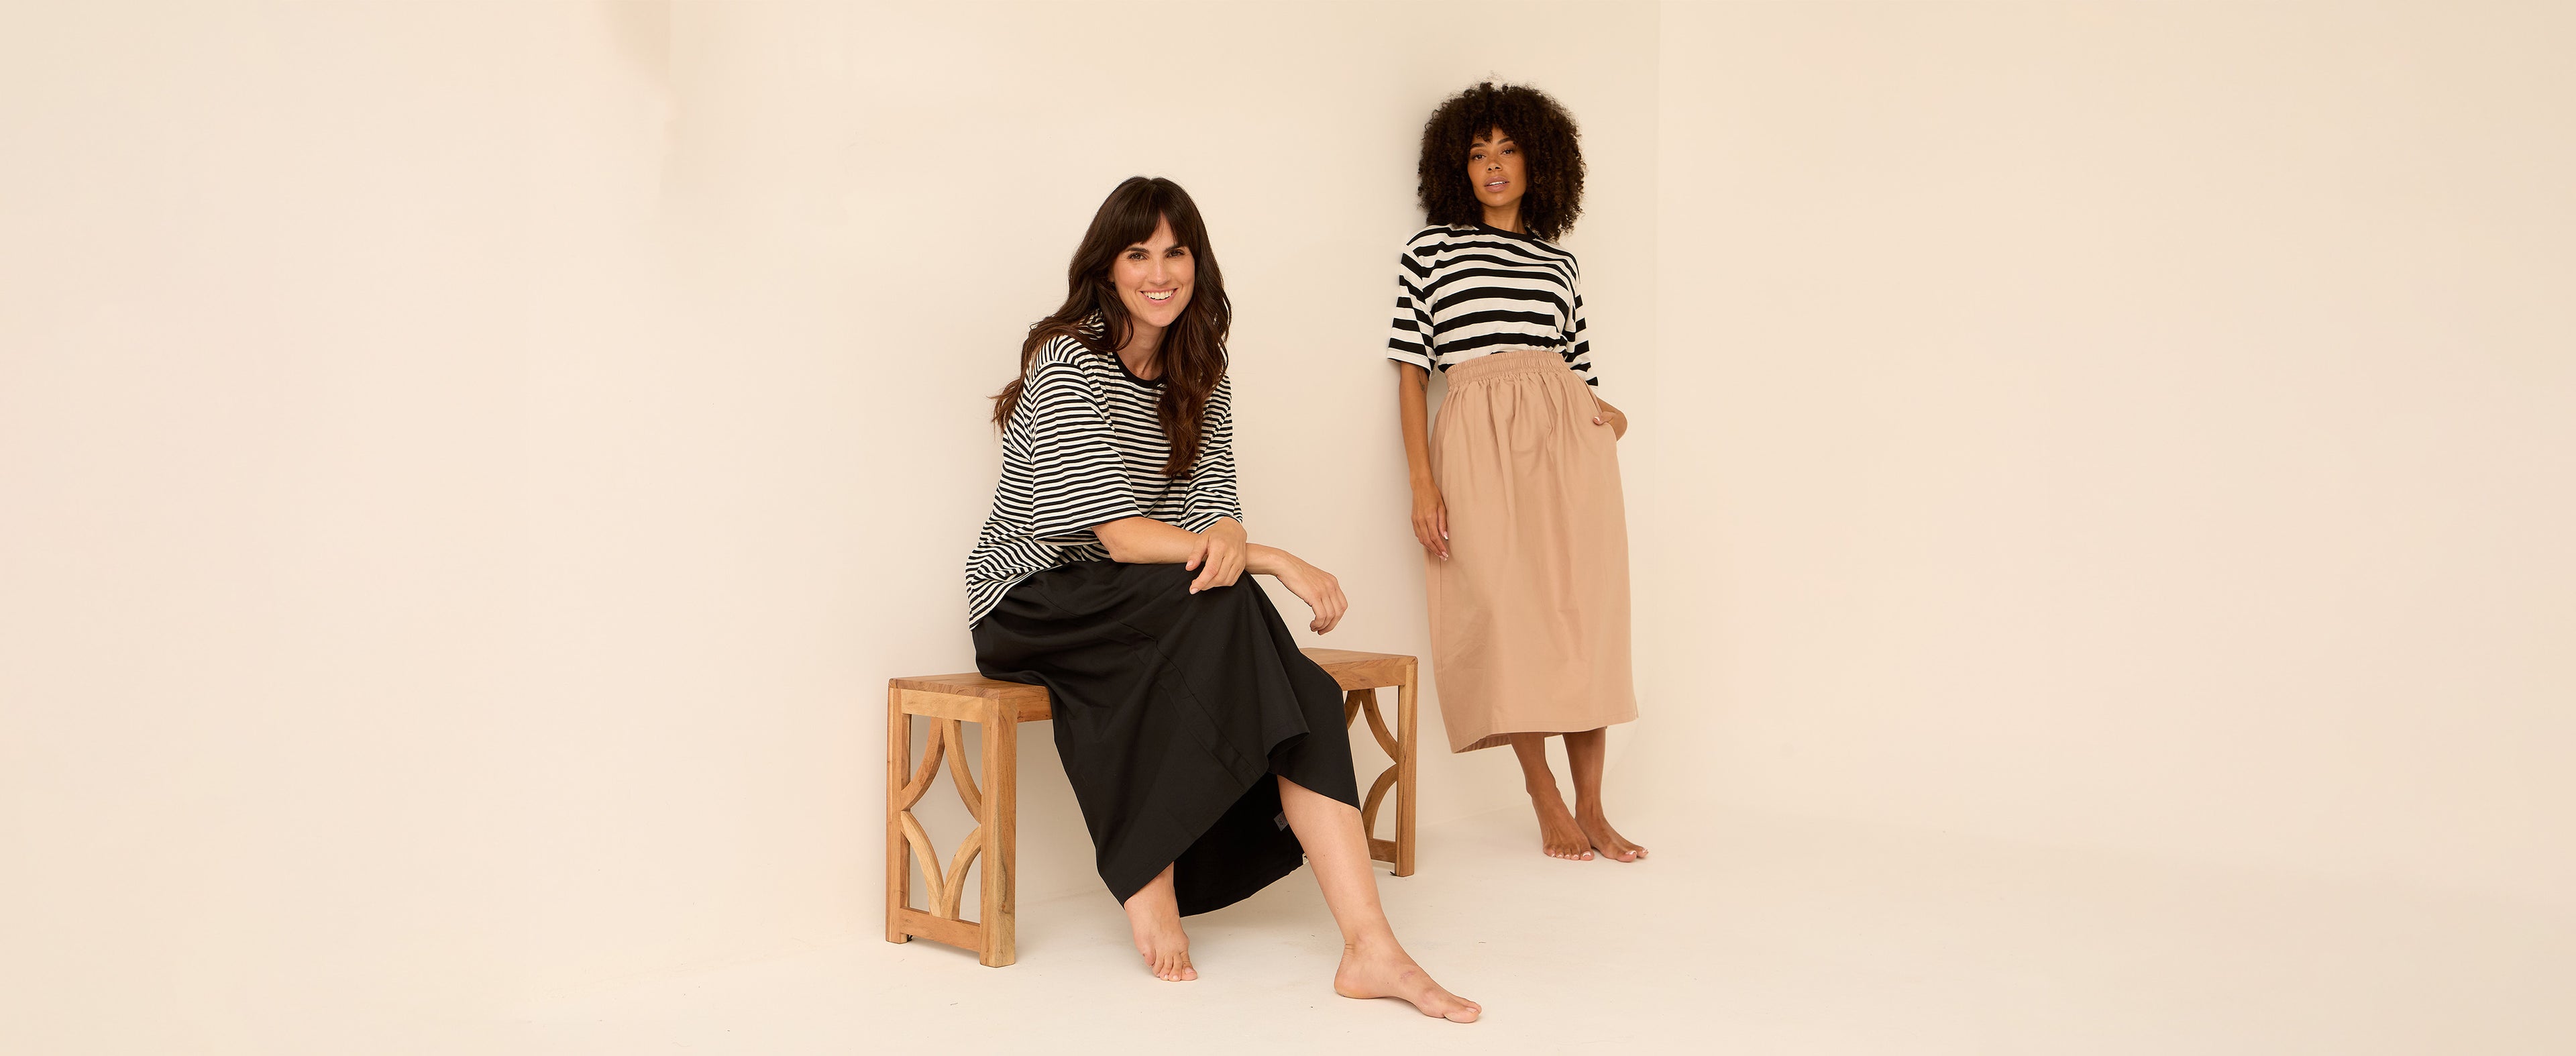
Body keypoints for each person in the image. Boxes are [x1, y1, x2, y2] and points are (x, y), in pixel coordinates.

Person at [965, 176, 1478, 1022]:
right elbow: (1120, 533)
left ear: (1198, 263)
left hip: (1141, 596)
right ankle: (1150, 864)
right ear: (1107, 267)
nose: (1159, 272)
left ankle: (1371, 945)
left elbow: (1212, 498)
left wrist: (1235, 536)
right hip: (1033, 595)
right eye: (1139, 253)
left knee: (1275, 658)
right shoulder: (1067, 361)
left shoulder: (1200, 361)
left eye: (1176, 252)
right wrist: (1270, 557)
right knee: (1234, 602)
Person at [1389, 83, 1648, 864]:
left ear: (1539, 162)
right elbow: (1409, 371)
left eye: (1507, 149)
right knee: (1506, 612)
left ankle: (1596, 806)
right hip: (1475, 435)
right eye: (1477, 153)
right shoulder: (1429, 252)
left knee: (1582, 614)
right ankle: (1544, 793)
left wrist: (1609, 420)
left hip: (1568, 441)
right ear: (1455, 169)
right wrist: (1423, 482)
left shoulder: (1559, 262)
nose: (1493, 165)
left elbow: (1578, 368)